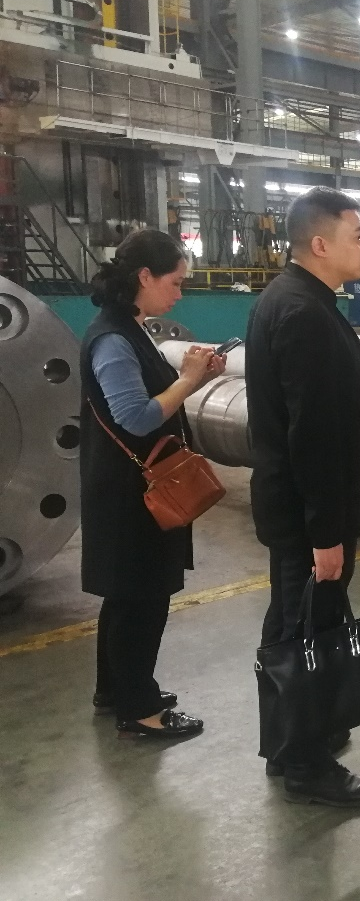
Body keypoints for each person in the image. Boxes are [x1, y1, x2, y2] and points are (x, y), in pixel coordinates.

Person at [246, 186, 360, 807]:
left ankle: (290, 743)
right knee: (309, 631)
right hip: (309, 516)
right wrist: (326, 535)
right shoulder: (304, 314)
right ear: (321, 244)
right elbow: (315, 438)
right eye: (357, 236)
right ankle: (307, 765)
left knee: (290, 625)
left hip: (293, 510)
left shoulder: (289, 298)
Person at [80, 229, 225, 739]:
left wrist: (197, 377)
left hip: (128, 487)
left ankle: (115, 689)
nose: (179, 293)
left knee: (125, 596)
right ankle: (139, 709)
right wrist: (187, 380)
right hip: (132, 494)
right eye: (175, 282)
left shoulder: (129, 328)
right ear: (144, 276)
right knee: (142, 598)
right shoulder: (113, 340)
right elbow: (137, 417)